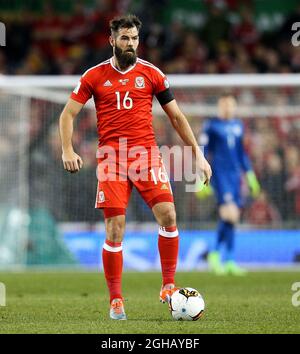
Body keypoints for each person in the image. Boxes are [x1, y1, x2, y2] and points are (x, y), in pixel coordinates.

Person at [59, 14, 212, 320]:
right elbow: (67, 115)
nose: (130, 44)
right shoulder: (94, 76)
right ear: (112, 40)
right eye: (125, 38)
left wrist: (198, 154)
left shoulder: (152, 74)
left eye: (135, 38)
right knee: (115, 230)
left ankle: (168, 285)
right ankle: (116, 300)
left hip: (145, 156)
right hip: (112, 159)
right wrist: (67, 149)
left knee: (169, 214)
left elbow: (177, 117)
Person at [197, 93, 260, 275]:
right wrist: (200, 179)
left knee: (232, 218)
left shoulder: (238, 126)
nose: (228, 108)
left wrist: (249, 175)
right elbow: (203, 152)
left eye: (231, 105)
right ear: (219, 107)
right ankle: (215, 253)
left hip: (235, 176)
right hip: (220, 174)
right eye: (224, 105)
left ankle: (230, 260)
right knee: (230, 214)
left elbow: (241, 154)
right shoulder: (211, 126)